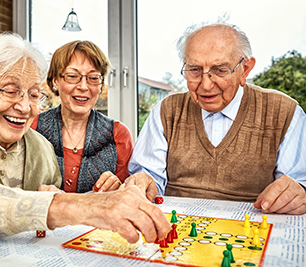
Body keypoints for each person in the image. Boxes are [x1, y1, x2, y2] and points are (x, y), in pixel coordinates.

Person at [0, 33, 170, 252]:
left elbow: (47, 222)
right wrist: (80, 206)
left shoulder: (40, 147)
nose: (24, 106)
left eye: (34, 94)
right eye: (10, 91)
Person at [129, 22, 306, 215]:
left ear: (245, 69)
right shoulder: (165, 111)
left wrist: (298, 192)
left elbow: (297, 183)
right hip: (177, 228)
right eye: (194, 70)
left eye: (220, 70)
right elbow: (148, 177)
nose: (205, 85)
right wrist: (144, 182)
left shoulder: (285, 112)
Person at [31, 40, 134, 193]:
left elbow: (128, 196)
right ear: (55, 81)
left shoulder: (118, 135)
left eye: (93, 78)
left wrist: (119, 186)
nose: (83, 87)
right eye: (72, 76)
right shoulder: (32, 127)